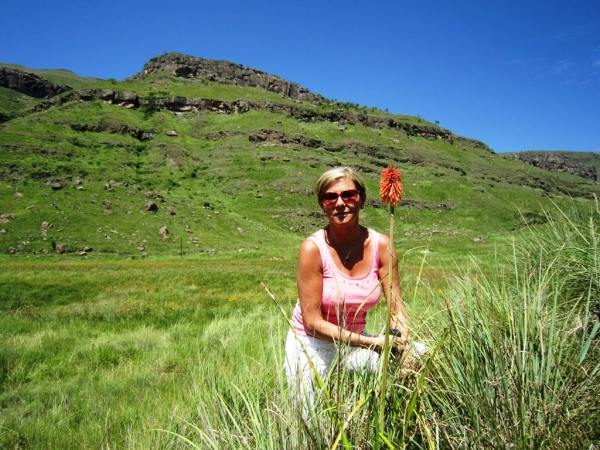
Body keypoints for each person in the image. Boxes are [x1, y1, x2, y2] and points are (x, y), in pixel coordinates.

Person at [284, 166, 412, 406]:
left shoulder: (382, 245)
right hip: (313, 342)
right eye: (330, 197)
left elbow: (396, 308)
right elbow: (313, 322)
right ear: (322, 204)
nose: (339, 203)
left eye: (348, 195)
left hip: (357, 341)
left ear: (362, 199)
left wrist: (401, 340)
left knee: (419, 359)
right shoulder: (312, 249)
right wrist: (372, 343)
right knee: (309, 420)